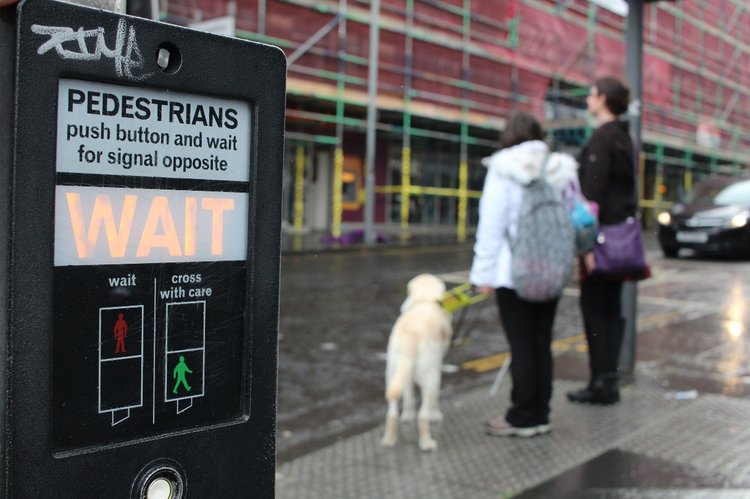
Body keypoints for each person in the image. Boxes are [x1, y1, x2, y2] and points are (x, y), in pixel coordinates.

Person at [470, 111, 579, 437]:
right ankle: (541, 413)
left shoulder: (503, 167)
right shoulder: (560, 167)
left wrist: (482, 273)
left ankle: (521, 416)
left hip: (512, 271)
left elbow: (492, 223)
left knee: (521, 344)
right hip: (552, 269)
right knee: (541, 341)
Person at [567, 76, 637, 406]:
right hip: (622, 239)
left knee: (593, 310)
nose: (587, 100)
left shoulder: (602, 139)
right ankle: (609, 378)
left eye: (591, 94)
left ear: (603, 99)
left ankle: (600, 381)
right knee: (611, 309)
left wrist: (586, 247)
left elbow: (590, 199)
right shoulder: (625, 138)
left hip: (601, 240)